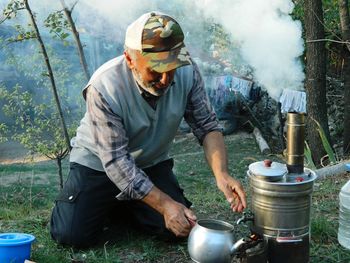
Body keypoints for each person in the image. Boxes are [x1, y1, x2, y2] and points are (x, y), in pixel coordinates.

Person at [50, 11, 246, 248]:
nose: (165, 79)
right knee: (72, 235)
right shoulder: (104, 86)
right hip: (98, 165)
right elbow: (116, 162)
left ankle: (125, 204)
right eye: (155, 69)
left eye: (171, 67)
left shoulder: (187, 70)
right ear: (130, 59)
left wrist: (221, 174)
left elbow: (207, 126)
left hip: (150, 163)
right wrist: (164, 204)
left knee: (181, 228)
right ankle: (114, 203)